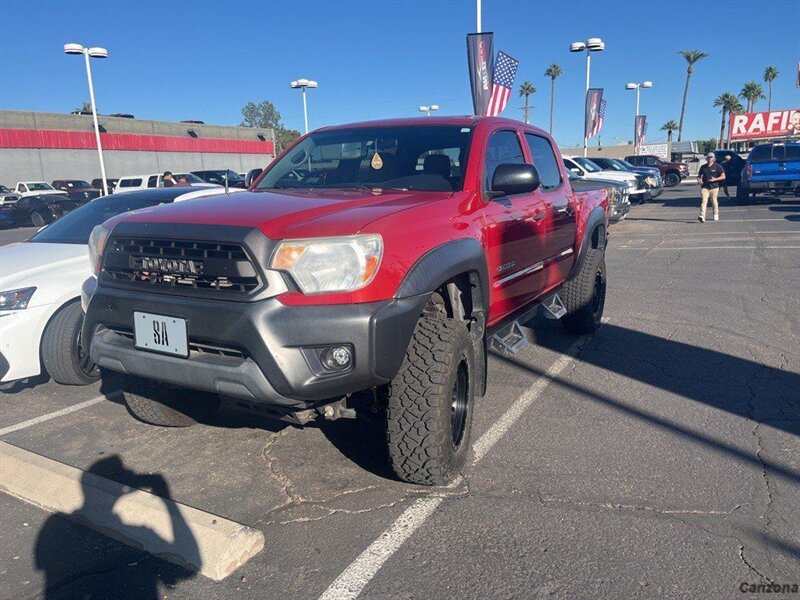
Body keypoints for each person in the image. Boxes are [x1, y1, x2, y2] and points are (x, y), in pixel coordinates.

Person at [696, 152, 725, 222]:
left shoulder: (717, 166)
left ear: (714, 158)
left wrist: (715, 179)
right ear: (706, 158)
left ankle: (715, 214)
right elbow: (699, 176)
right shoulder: (703, 167)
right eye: (709, 157)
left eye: (711, 157)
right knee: (704, 201)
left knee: (714, 201)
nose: (710, 158)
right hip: (705, 187)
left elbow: (723, 176)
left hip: (714, 187)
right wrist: (699, 180)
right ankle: (702, 216)